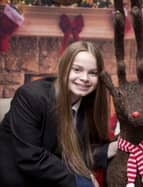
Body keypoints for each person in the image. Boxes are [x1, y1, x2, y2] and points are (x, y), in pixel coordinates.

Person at [0, 41, 117, 187]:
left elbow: (74, 153)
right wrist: (79, 180)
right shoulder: (30, 96)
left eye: (92, 73)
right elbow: (30, 158)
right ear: (64, 68)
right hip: (18, 178)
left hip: (50, 176)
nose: (85, 78)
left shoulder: (87, 104)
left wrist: (110, 150)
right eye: (77, 70)